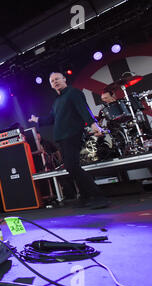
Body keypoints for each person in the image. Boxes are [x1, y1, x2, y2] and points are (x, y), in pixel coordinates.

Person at [28, 72, 110, 209]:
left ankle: (98, 196)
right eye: (52, 81)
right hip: (62, 138)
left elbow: (84, 110)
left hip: (72, 134)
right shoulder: (57, 101)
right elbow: (51, 118)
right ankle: (85, 197)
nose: (55, 82)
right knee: (71, 168)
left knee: (73, 166)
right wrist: (37, 120)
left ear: (64, 79)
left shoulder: (73, 93)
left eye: (57, 79)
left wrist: (94, 125)